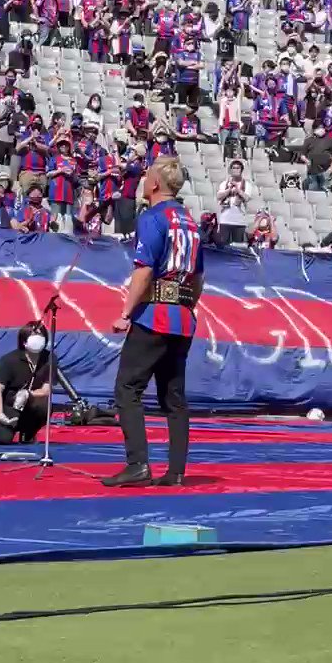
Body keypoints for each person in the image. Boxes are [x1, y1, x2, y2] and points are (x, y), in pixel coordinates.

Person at [103, 157, 204, 488]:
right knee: (174, 397)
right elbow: (198, 277)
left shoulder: (152, 217)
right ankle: (176, 471)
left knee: (127, 388)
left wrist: (125, 313)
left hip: (154, 315)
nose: (143, 181)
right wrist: (188, 304)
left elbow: (144, 270)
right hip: (183, 317)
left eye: (147, 176)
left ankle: (137, 464)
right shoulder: (190, 222)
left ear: (156, 183)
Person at [0, 322, 52, 446]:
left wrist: (28, 394)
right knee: (2, 439)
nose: (37, 338)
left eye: (40, 335)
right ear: (24, 341)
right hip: (9, 404)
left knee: (45, 406)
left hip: (29, 402)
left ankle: (28, 433)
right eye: (33, 335)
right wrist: (0, 414)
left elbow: (46, 390)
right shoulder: (9, 360)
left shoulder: (50, 359)